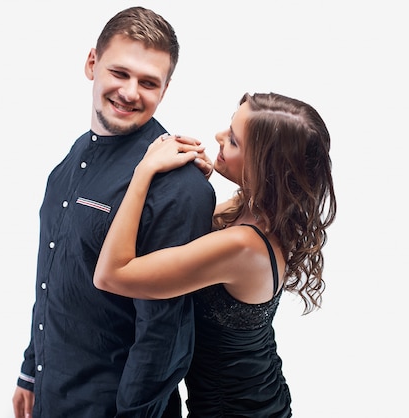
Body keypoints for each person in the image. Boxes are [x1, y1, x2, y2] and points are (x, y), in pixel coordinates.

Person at [12, 6, 216, 418]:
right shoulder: (71, 161)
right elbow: (51, 276)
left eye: (148, 82)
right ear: (92, 63)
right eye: (119, 73)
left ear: (166, 88)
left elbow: (165, 334)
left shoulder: (179, 186)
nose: (129, 92)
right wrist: (31, 372)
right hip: (52, 395)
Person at [94, 92, 337, 417]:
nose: (219, 138)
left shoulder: (243, 246)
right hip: (261, 397)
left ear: (263, 167)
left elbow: (112, 274)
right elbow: (186, 239)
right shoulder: (256, 211)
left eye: (234, 141)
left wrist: (144, 172)